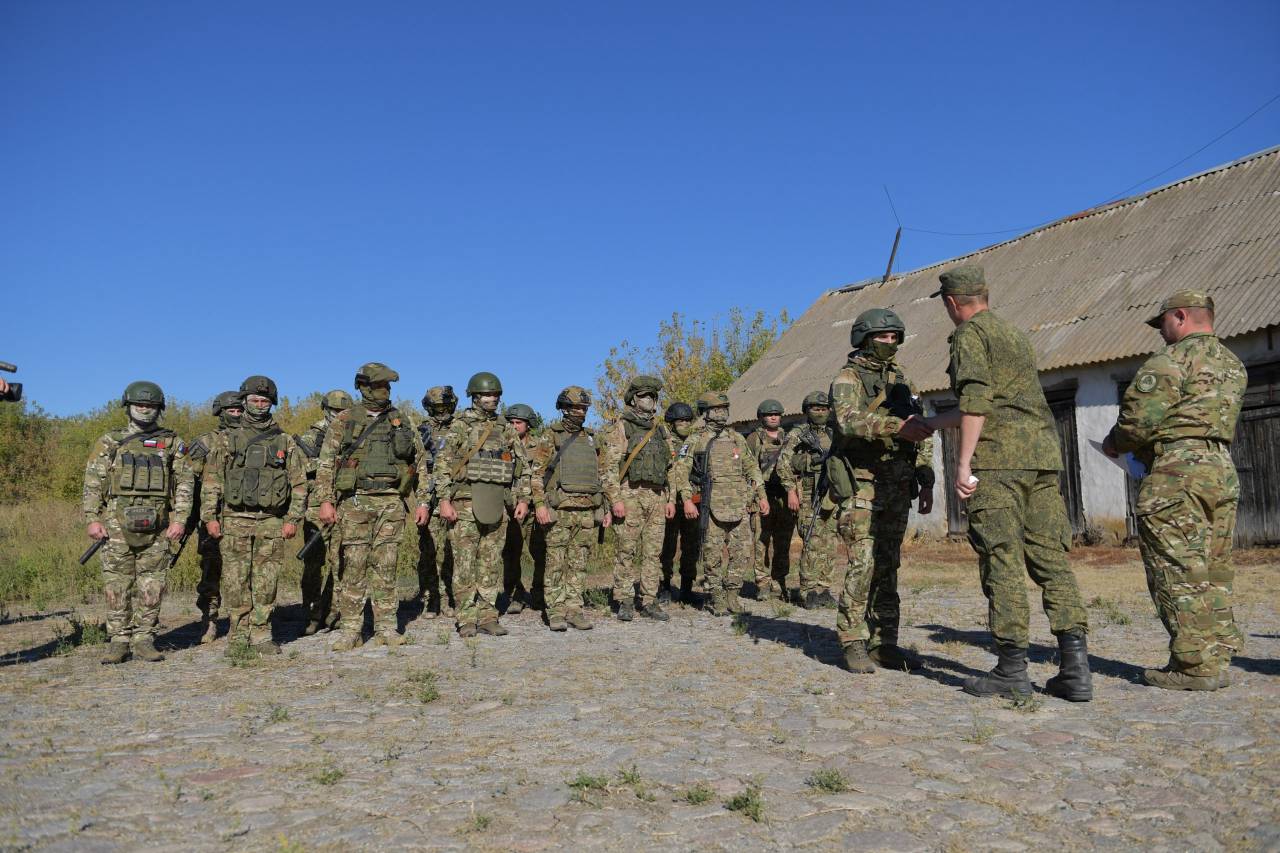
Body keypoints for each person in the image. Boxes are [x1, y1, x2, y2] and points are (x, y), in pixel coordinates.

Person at [920, 263, 1092, 701]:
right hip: (1040, 458)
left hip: (999, 464)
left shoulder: (969, 335)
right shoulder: (1013, 334)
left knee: (1002, 560)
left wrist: (962, 464)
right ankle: (1075, 669)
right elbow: (997, 402)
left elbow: (976, 402)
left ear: (952, 303)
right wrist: (933, 422)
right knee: (1050, 558)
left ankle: (1011, 670)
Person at [1103, 290, 1246, 691]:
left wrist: (1115, 443)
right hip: (1219, 468)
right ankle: (1215, 655)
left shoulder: (1169, 362)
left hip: (1176, 472)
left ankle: (1192, 664)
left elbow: (1137, 423)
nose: (1161, 332)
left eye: (1162, 323)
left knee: (1176, 567)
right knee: (1213, 567)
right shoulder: (1233, 365)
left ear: (1180, 316)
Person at [836, 308, 936, 670]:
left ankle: (885, 641)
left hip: (898, 485)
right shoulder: (848, 378)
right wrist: (895, 427)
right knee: (862, 563)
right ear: (864, 339)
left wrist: (925, 475)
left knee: (888, 566)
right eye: (883, 337)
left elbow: (920, 426)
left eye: (895, 338)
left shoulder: (902, 378)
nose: (890, 343)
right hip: (864, 484)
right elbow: (847, 421)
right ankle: (852, 640)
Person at [81, 381, 195, 664]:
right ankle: (119, 641)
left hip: (158, 526)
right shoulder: (110, 441)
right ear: (128, 407)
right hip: (117, 525)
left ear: (159, 409)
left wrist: (180, 519)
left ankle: (144, 639)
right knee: (117, 584)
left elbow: (184, 483)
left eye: (151, 406)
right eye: (139, 405)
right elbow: (93, 482)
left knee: (153, 584)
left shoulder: (171, 442)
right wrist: (92, 518)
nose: (145, 410)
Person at [316, 363, 422, 650]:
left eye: (388, 386)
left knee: (386, 566)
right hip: (355, 501)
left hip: (391, 501)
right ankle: (351, 629)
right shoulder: (345, 420)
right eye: (379, 386)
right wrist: (326, 501)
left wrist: (422, 501)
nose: (385, 391)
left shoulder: (402, 420)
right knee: (354, 565)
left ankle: (386, 627)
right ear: (364, 387)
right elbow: (326, 463)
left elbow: (419, 462)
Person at [201, 376, 309, 655]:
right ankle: (237, 635)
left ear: (272, 403)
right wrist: (209, 517)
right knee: (236, 581)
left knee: (266, 581)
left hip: (271, 521)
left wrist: (292, 519)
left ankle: (261, 634)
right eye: (254, 401)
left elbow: (298, 483)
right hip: (235, 519)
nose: (260, 405)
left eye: (265, 401)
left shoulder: (284, 440)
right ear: (245, 402)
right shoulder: (227, 439)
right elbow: (212, 481)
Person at [425, 372, 530, 638]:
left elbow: (522, 466)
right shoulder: (460, 425)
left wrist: (523, 499)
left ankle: (488, 616)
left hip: (496, 504)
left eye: (495, 394)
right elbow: (442, 465)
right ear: (474, 396)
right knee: (464, 564)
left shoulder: (505, 427)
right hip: (464, 504)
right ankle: (466, 618)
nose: (492, 398)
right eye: (487, 394)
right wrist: (445, 500)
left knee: (491, 563)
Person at [527, 387, 618, 631]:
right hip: (559, 510)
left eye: (584, 408)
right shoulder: (551, 437)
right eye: (576, 408)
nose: (580, 412)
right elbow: (535, 476)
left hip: (588, 512)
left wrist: (608, 507)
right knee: (555, 562)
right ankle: (555, 611)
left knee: (579, 563)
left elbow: (605, 476)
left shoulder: (592, 439)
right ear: (564, 409)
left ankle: (574, 609)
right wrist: (539, 506)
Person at [672, 392, 769, 617]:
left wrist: (760, 494)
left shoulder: (736, 438)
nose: (721, 413)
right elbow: (681, 472)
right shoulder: (695, 440)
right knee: (712, 555)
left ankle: (732, 596)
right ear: (705, 413)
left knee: (741, 552)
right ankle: (716, 598)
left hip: (738, 505)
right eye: (716, 409)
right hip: (710, 505)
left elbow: (752, 467)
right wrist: (687, 500)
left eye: (724, 409)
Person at [601, 375, 676, 621]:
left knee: (653, 552)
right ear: (634, 399)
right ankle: (624, 599)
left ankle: (649, 600)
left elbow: (671, 468)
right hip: (630, 494)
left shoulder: (661, 429)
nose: (650, 400)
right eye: (645, 396)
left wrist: (671, 499)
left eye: (653, 396)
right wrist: (616, 500)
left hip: (657, 496)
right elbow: (609, 468)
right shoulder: (622, 427)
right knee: (626, 550)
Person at [186, 390, 243, 643]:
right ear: (220, 412)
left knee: (242, 572)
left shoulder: (251, 439)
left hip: (241, 515)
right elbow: (190, 480)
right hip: (211, 514)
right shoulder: (205, 442)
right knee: (211, 570)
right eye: (232, 410)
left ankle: (239, 621)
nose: (237, 414)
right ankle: (209, 620)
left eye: (240, 410)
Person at [296, 389, 352, 635]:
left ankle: (333, 611)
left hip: (343, 505)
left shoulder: (351, 434)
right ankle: (311, 610)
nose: (339, 415)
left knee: (340, 561)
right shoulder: (312, 437)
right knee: (313, 562)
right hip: (314, 508)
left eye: (343, 411)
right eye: (335, 411)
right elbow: (297, 472)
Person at [777, 392, 838, 609]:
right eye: (815, 408)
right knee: (812, 540)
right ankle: (808, 590)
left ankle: (824, 588)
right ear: (806, 411)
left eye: (823, 409)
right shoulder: (797, 434)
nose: (820, 412)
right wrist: (791, 491)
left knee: (829, 542)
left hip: (832, 494)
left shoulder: (834, 433)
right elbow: (783, 464)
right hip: (808, 491)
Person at [745, 399, 794, 601]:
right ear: (761, 417)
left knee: (783, 542)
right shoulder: (754, 438)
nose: (773, 417)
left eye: (776, 414)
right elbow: (749, 469)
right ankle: (762, 583)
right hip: (762, 495)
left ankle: (779, 581)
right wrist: (756, 497)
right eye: (768, 414)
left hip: (784, 497)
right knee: (761, 542)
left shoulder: (789, 437)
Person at [416, 385, 457, 618]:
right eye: (437, 407)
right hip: (427, 494)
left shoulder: (460, 428)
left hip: (453, 494)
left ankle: (451, 595)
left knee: (453, 550)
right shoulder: (420, 431)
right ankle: (431, 598)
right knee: (429, 549)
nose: (442, 411)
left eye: (445, 407)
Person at [501, 403, 542, 614]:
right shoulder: (502, 445)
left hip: (535, 508)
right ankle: (515, 595)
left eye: (519, 422)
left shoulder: (541, 445)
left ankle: (538, 593)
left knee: (540, 552)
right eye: (511, 422)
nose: (514, 426)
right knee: (510, 554)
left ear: (528, 424)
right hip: (509, 508)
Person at [659, 402, 701, 604]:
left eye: (687, 420)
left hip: (693, 500)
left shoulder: (697, 441)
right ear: (672, 422)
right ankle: (664, 586)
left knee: (691, 545)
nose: (684, 424)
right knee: (666, 546)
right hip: (669, 502)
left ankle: (687, 588)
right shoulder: (664, 441)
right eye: (680, 420)